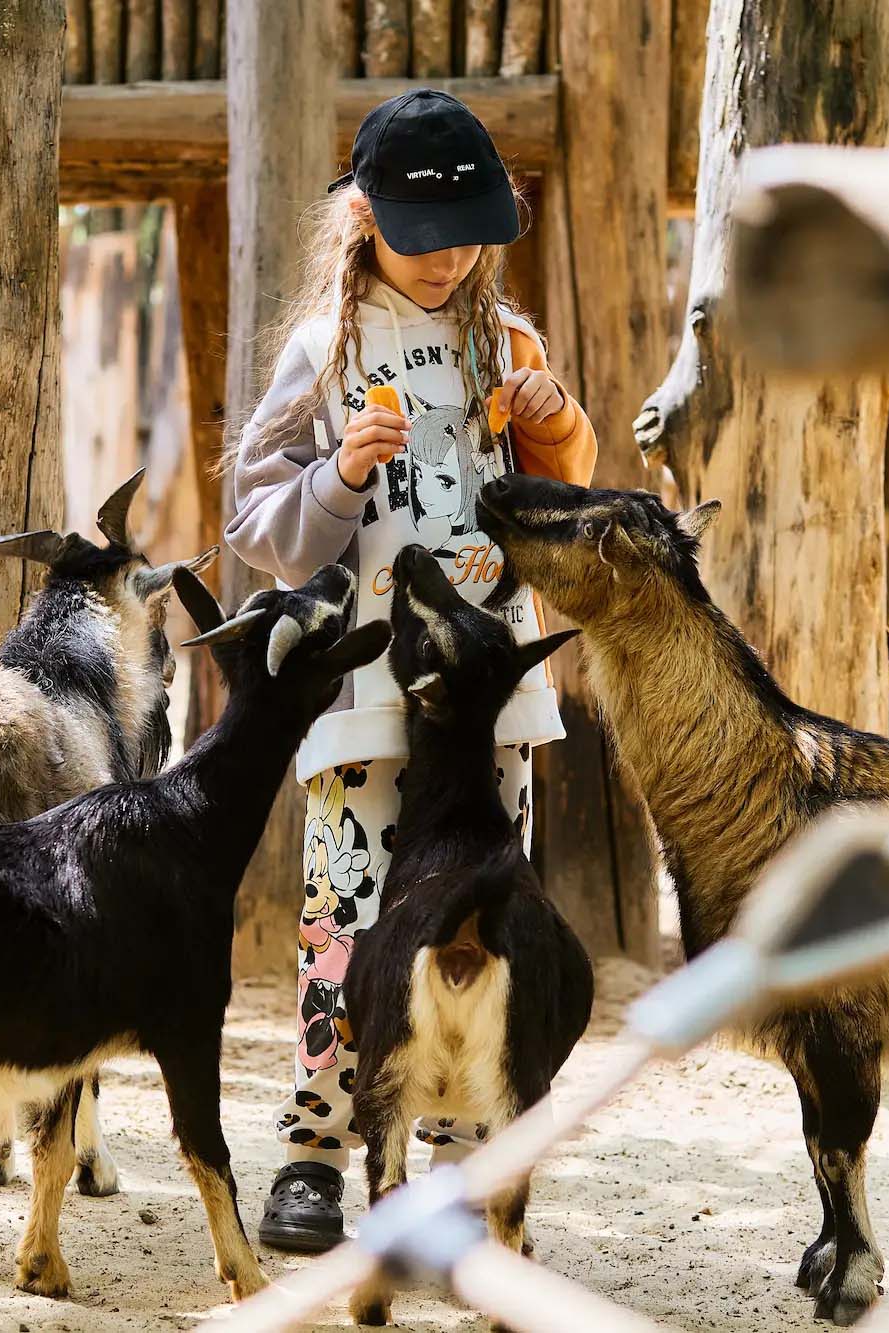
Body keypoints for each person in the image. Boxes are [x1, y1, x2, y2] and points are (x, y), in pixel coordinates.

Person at [224, 88, 598, 1253]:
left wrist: (553, 418)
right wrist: (338, 472)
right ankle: (313, 1151)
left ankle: (460, 1163)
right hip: (365, 698)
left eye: (465, 237)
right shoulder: (322, 351)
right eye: (419, 238)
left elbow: (563, 501)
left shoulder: (510, 340)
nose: (444, 260)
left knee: (477, 922)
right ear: (363, 222)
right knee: (346, 922)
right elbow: (260, 527)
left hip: (490, 697)